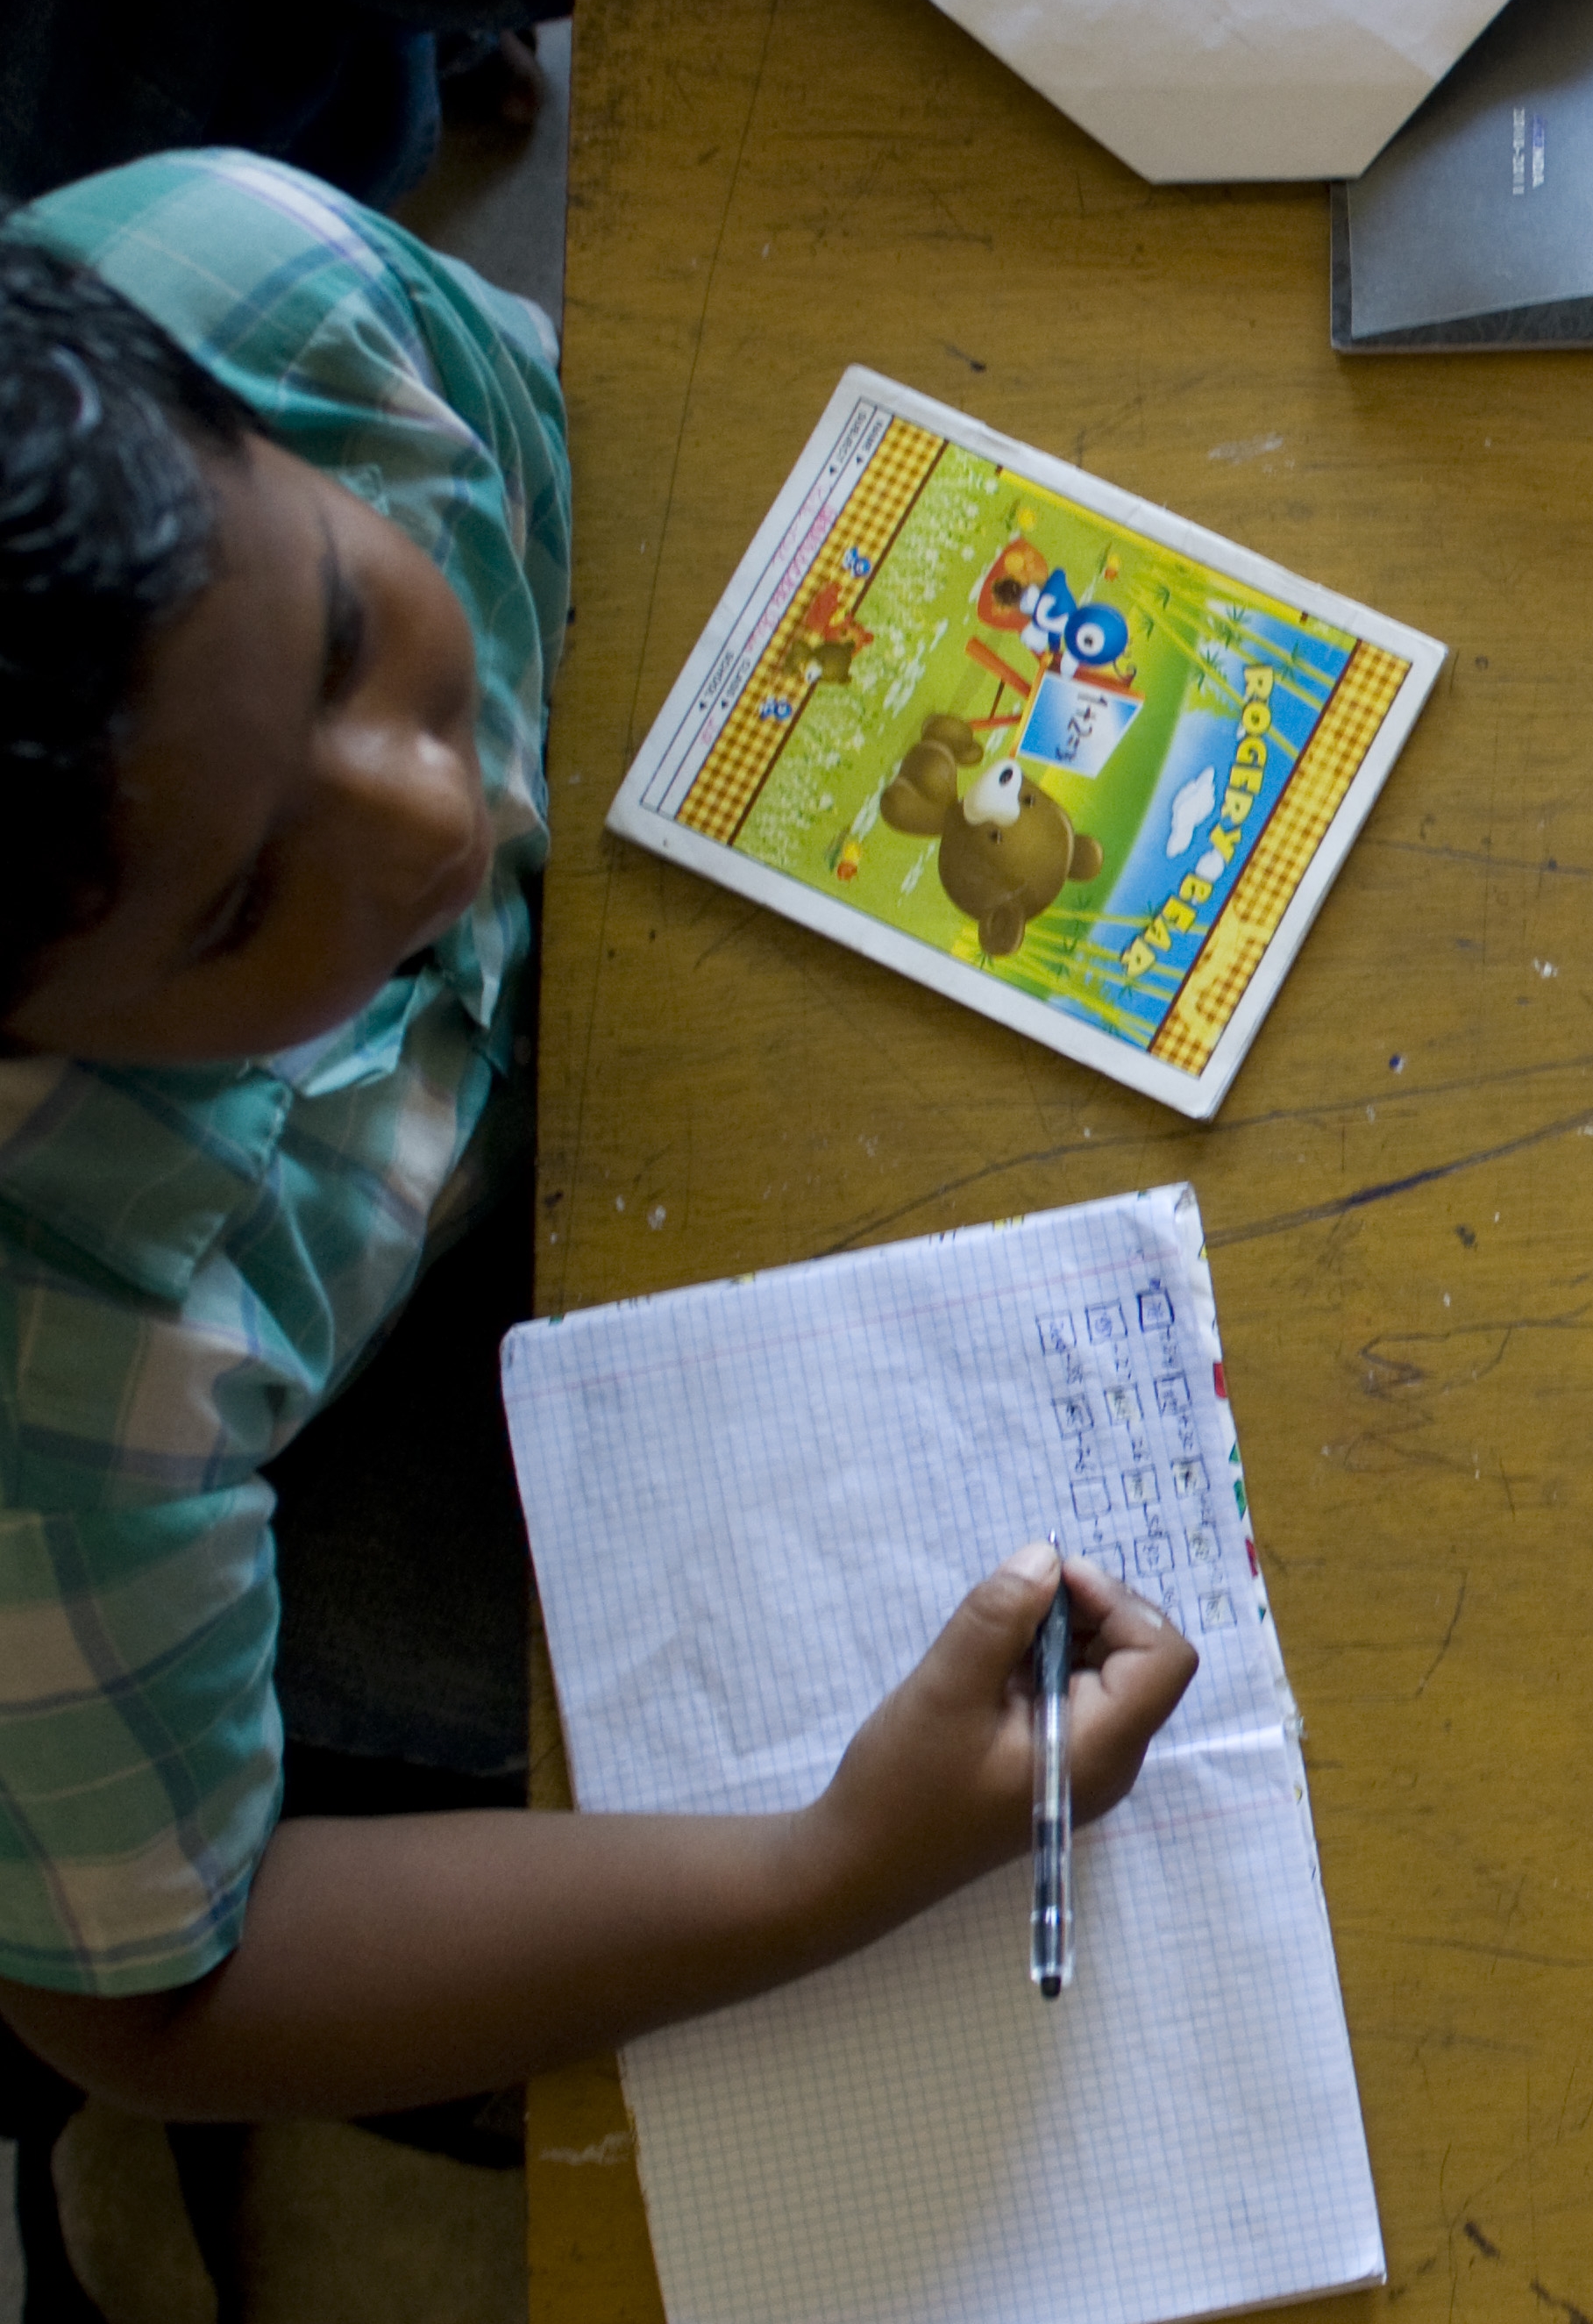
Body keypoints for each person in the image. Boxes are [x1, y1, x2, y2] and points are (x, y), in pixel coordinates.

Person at [0, 149, 1198, 2148]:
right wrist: (828, 1866)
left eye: (333, 637)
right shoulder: (61, 1388)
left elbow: (611, 512)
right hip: (286, 1503)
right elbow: (154, 2004)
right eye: (232, 912)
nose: (430, 819)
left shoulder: (278, 298)